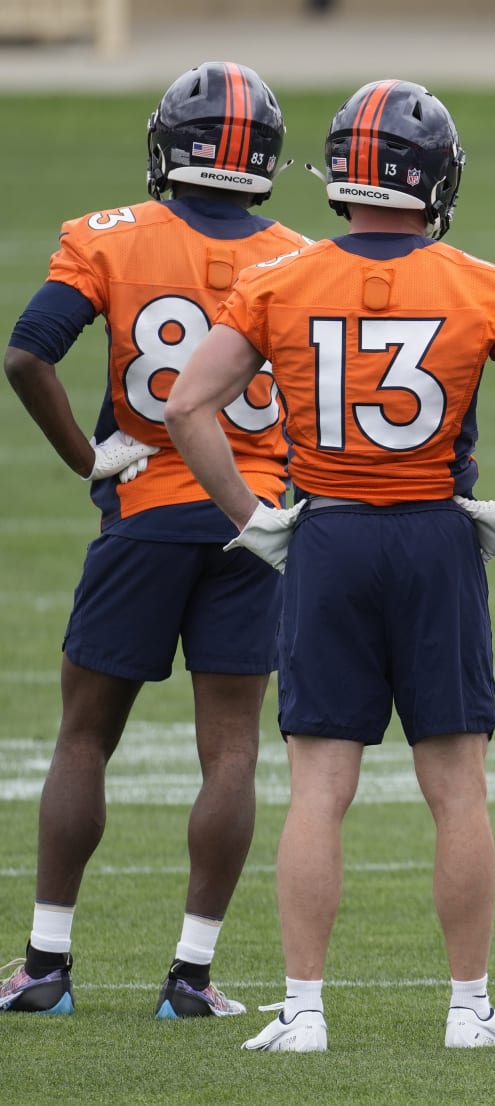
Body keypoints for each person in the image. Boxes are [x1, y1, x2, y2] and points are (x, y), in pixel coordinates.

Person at [164, 79, 495, 1053]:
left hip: (330, 536)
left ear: (342, 171)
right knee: (458, 787)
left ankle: (304, 1009)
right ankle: (468, 1008)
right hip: (435, 537)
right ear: (435, 180)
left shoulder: (278, 280)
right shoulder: (485, 282)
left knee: (317, 787)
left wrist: (252, 515)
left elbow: (185, 402)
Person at [1, 62, 308, 1021]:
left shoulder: (108, 237)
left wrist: (89, 457)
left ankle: (46, 965)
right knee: (231, 753)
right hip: (250, 520)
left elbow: (25, 353)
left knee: (85, 737)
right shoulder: (300, 256)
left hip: (141, 510)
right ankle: (191, 976)